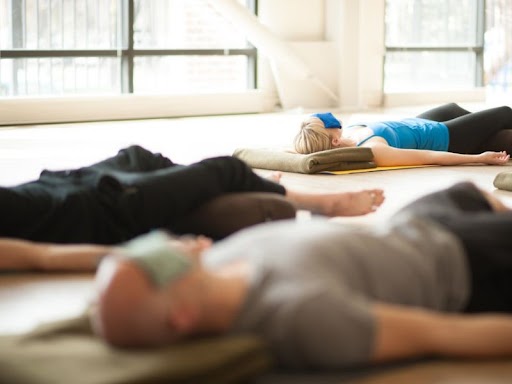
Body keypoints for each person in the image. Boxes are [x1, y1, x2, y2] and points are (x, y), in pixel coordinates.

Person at [90, 181, 512, 370]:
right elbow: (440, 334)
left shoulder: (212, 266)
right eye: (158, 263)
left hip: (407, 230)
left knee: (469, 192)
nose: (166, 248)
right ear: (180, 316)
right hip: (464, 262)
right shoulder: (299, 314)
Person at [0, 145, 384, 246]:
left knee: (137, 156)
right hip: (102, 208)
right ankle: (322, 204)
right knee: (225, 168)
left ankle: (223, 181)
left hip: (67, 184)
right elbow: (43, 257)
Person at [294, 103, 512, 166]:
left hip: (422, 122)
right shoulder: (374, 149)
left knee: (452, 108)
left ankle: (488, 134)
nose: (327, 117)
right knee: (503, 113)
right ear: (334, 140)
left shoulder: (348, 132)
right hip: (445, 138)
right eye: (325, 123)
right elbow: (429, 157)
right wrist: (479, 158)